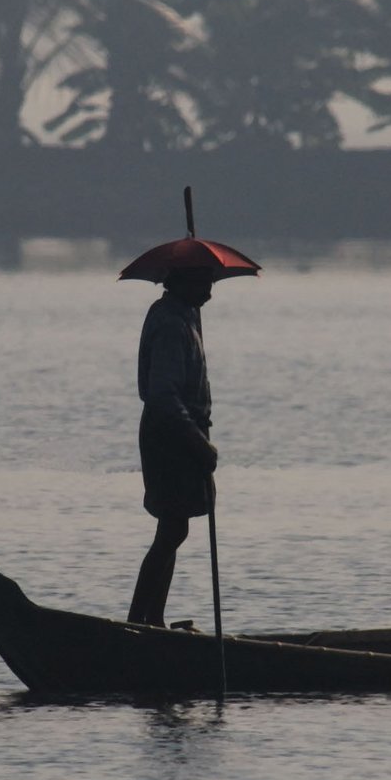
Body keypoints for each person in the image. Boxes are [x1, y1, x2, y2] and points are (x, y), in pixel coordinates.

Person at [129, 266, 218, 626]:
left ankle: (152, 619)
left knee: (175, 528)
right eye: (203, 281)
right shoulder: (169, 323)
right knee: (171, 528)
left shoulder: (185, 315)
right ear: (181, 281)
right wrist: (198, 444)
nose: (210, 290)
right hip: (169, 434)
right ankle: (138, 622)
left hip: (180, 431)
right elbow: (163, 396)